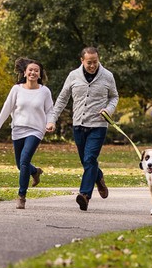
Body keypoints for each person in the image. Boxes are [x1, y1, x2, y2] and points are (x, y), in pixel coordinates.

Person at [46, 46, 119, 211]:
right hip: (78, 125)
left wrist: (109, 109)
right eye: (89, 63)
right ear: (82, 61)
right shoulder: (73, 76)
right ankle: (98, 178)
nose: (92, 66)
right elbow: (63, 98)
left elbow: (114, 96)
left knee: (89, 159)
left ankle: (84, 195)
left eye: (95, 62)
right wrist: (52, 120)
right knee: (86, 161)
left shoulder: (107, 76)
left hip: (98, 125)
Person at [0, 58, 54, 209]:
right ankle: (35, 171)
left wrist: (51, 122)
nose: (33, 72)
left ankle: (21, 196)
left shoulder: (44, 91)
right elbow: (6, 110)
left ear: (40, 74)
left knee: (24, 160)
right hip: (18, 129)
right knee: (21, 164)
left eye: (36, 70)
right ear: (25, 72)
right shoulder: (16, 89)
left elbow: (50, 110)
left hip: (36, 130)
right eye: (30, 70)